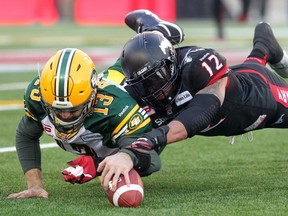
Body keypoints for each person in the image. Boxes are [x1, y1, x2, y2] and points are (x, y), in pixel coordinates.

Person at [98, 10, 288, 191]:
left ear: (171, 64)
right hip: (240, 83)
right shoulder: (137, 92)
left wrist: (148, 140)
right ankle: (264, 44)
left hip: (261, 94)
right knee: (252, 64)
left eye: (157, 77)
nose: (154, 90)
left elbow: (200, 113)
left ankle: (264, 45)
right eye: (143, 84)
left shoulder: (196, 66)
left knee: (254, 73)